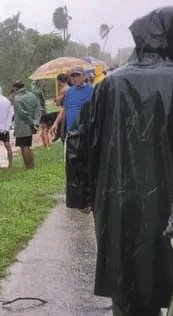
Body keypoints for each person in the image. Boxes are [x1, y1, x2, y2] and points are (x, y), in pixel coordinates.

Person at [66, 6, 173, 316]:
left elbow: (78, 140)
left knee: (128, 288)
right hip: (167, 203)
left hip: (118, 202)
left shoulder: (109, 85)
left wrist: (81, 195)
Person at [52, 66, 94, 139]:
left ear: (84, 76)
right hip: (71, 131)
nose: (75, 78)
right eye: (73, 76)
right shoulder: (69, 92)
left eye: (78, 75)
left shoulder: (91, 91)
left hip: (86, 132)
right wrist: (56, 123)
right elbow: (65, 109)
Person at [12, 80, 40, 169]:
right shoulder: (33, 96)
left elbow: (21, 113)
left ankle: (28, 166)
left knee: (23, 146)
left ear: (16, 88)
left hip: (22, 126)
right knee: (28, 145)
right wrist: (35, 122)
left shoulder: (17, 98)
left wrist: (30, 121)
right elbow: (38, 109)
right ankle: (32, 164)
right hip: (32, 125)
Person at [30, 80, 51, 149]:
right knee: (45, 128)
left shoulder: (32, 91)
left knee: (44, 129)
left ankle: (46, 144)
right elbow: (44, 98)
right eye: (39, 82)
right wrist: (43, 89)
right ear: (37, 83)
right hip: (42, 111)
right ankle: (47, 146)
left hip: (38, 112)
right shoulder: (38, 91)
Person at [51, 73, 71, 143]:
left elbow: (58, 103)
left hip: (65, 113)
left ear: (59, 81)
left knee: (63, 133)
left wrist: (57, 99)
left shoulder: (63, 90)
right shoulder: (70, 88)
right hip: (69, 112)